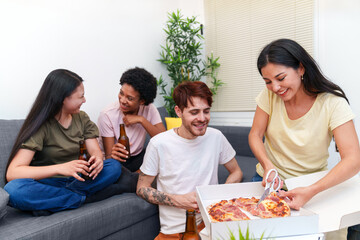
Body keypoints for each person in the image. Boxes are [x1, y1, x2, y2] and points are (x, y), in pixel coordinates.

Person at [248, 38, 360, 240]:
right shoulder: (269, 96)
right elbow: (255, 135)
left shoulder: (332, 104)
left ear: (300, 69)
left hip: (312, 187)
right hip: (270, 183)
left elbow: (353, 159)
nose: (275, 87)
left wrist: (312, 190)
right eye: (268, 81)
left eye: (280, 78)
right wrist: (267, 165)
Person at [4, 69, 122, 215]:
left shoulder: (82, 118)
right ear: (63, 99)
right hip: (48, 182)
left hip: (80, 180)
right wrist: (61, 168)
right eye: (81, 96)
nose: (84, 100)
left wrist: (98, 159)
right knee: (14, 190)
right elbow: (13, 172)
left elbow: (95, 150)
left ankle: (53, 203)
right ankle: (85, 198)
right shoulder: (42, 125)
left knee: (114, 166)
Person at [137, 81, 243, 239]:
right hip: (174, 232)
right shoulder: (159, 143)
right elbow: (142, 188)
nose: (202, 118)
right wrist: (178, 200)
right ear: (178, 111)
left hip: (211, 223)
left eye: (206, 111)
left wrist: (218, 196)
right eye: (194, 112)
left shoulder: (216, 137)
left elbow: (236, 172)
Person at [97, 67, 166, 172]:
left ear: (142, 101)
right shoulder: (107, 114)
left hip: (137, 158)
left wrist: (141, 120)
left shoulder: (149, 108)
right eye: (121, 93)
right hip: (115, 161)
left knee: (162, 154)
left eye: (130, 98)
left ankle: (137, 177)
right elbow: (109, 157)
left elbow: (164, 140)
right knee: (115, 171)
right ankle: (137, 178)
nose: (123, 100)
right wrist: (115, 152)